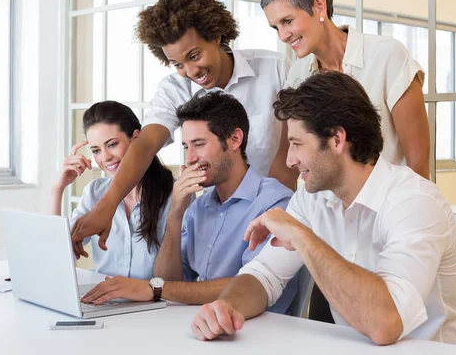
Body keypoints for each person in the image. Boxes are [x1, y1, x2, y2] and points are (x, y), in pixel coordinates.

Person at [190, 72, 456, 345]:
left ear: (336, 139)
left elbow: (385, 324)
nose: (289, 160)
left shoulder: (415, 202)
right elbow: (264, 275)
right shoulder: (313, 198)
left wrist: (302, 236)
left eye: (297, 144)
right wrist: (224, 308)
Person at [70, 0, 299, 258]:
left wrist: (264, 212)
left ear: (215, 35)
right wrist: (106, 206)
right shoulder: (174, 88)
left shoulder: (274, 69)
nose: (190, 72)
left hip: (275, 209)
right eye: (177, 64)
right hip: (217, 216)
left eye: (194, 56)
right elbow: (144, 146)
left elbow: (289, 153)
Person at [81, 92, 297, 313]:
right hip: (200, 326)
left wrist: (153, 289)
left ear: (235, 139)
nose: (190, 158)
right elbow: (167, 280)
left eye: (199, 144)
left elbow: (254, 284)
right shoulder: (198, 208)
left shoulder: (274, 202)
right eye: (186, 147)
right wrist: (176, 212)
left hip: (258, 333)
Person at [261, 0, 430, 179]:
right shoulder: (298, 73)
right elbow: (288, 158)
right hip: (325, 209)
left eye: (287, 21)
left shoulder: (387, 56)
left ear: (319, 6)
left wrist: (412, 209)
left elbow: (419, 161)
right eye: (276, 27)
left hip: (387, 206)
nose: (283, 36)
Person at [49, 101, 173, 280]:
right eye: (96, 150)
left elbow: (181, 273)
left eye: (112, 144)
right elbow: (56, 251)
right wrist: (57, 189)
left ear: (136, 138)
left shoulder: (174, 193)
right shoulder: (94, 192)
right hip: (105, 300)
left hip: (155, 302)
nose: (105, 157)